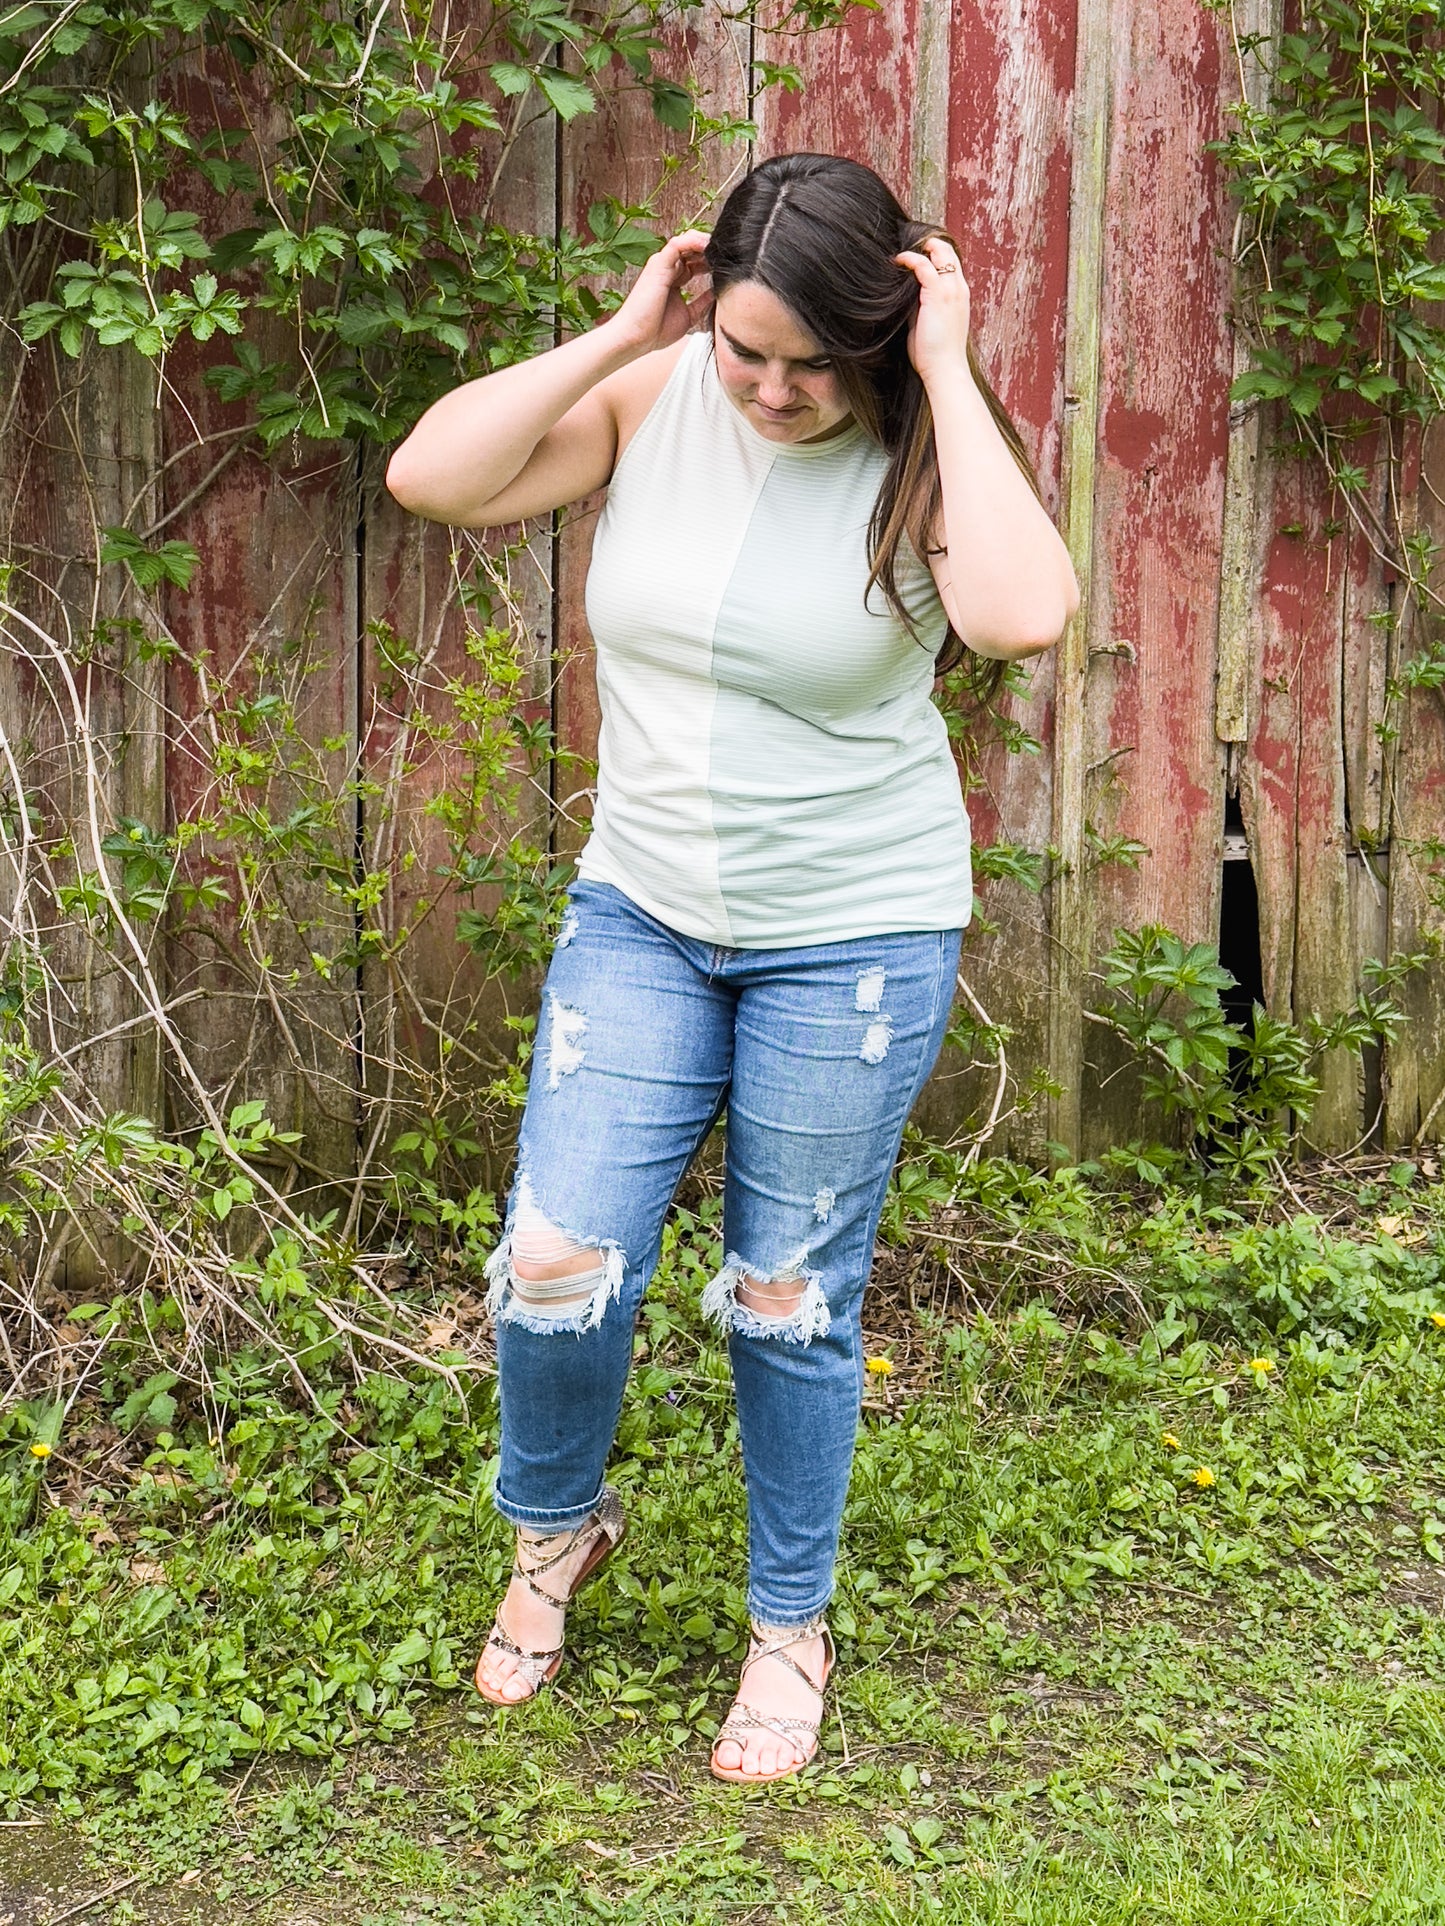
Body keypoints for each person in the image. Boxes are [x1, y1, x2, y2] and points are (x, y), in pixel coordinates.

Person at [385, 151, 1077, 1784]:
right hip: (642, 912)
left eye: (808, 361)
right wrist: (633, 327)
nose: (769, 389)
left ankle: (788, 1618)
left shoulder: (924, 454)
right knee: (556, 1259)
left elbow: (1024, 616)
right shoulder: (660, 400)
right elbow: (434, 475)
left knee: (787, 1301)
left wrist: (942, 372)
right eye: (743, 349)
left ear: (881, 331)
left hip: (851, 933)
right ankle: (556, 1531)